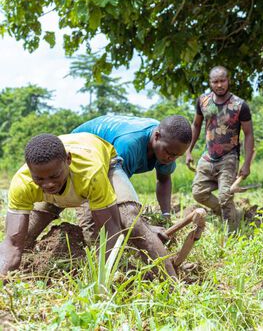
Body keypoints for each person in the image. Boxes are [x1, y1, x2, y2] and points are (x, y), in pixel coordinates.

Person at [71, 115, 194, 278]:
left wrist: (165, 217)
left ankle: (144, 261)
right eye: (169, 153)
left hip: (106, 163)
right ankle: (110, 270)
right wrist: (147, 229)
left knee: (133, 226)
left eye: (176, 156)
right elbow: (114, 199)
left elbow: (164, 179)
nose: (171, 159)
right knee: (96, 227)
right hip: (79, 154)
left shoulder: (169, 144)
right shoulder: (129, 145)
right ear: (156, 136)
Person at [0, 133, 122, 276]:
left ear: (68, 160)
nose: (48, 184)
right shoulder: (23, 183)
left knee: (115, 225)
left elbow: (111, 230)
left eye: (54, 176)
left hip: (102, 171)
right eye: (39, 178)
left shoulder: (91, 174)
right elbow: (12, 244)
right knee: (25, 235)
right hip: (65, 186)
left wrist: (105, 278)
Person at [186, 66, 254, 232]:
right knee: (198, 193)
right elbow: (196, 125)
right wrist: (188, 150)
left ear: (228, 80)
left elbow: (249, 134)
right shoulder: (203, 101)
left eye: (222, 81)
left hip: (229, 157)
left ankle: (232, 233)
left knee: (225, 196)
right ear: (210, 83)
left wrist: (246, 164)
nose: (219, 85)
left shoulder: (239, 105)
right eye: (215, 82)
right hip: (209, 156)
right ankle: (225, 213)